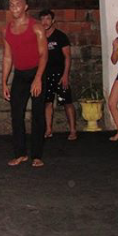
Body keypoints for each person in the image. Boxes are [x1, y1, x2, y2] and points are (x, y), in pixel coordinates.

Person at [2, 0, 48, 167]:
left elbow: (44, 55)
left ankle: (37, 155)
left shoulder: (36, 27)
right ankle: (20, 153)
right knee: (16, 115)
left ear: (25, 6)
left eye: (18, 4)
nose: (14, 7)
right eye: (11, 4)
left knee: (38, 114)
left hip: (37, 73)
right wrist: (4, 82)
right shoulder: (6, 30)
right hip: (20, 75)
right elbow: (7, 57)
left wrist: (38, 78)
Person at [39, 9, 77, 140]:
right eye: (42, 19)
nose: (45, 22)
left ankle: (73, 130)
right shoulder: (39, 36)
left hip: (60, 75)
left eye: (48, 19)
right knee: (47, 103)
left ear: (53, 20)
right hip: (45, 75)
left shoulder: (60, 36)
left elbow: (67, 57)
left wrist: (65, 75)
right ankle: (49, 130)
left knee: (67, 102)